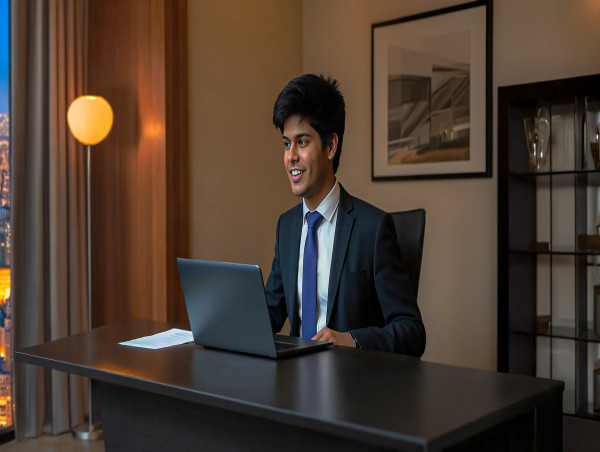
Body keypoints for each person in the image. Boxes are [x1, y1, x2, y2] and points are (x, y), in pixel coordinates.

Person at [265, 74, 425, 356]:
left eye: (302, 142)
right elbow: (268, 316)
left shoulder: (373, 229)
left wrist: (350, 339)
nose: (291, 157)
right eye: (286, 144)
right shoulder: (287, 226)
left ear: (330, 146)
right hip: (292, 387)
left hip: (352, 387)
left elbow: (412, 332)